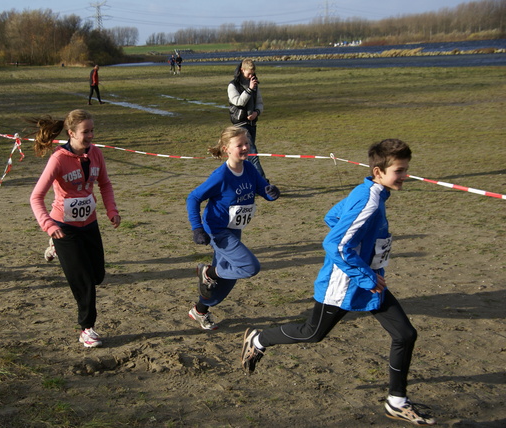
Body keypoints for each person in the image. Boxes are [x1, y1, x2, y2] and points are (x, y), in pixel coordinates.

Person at [240, 139, 436, 426]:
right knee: (312, 333)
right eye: (400, 171)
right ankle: (258, 339)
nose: (405, 176)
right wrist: (364, 273)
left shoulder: (375, 192)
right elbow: (335, 244)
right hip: (344, 284)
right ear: (379, 171)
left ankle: (396, 401)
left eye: (406, 169)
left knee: (405, 334)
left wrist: (364, 255)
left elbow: (332, 216)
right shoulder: (368, 199)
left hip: (368, 282)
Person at [29, 109, 121, 348]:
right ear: (70, 133)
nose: (90, 136)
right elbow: (36, 197)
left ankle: (55, 249)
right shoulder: (58, 159)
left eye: (92, 130)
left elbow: (105, 184)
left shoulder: (96, 154)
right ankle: (87, 328)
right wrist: (48, 225)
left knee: (97, 275)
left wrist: (111, 210)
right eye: (85, 132)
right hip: (63, 228)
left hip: (89, 223)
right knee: (84, 282)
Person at [186, 125, 280, 330]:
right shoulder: (221, 176)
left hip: (234, 228)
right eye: (240, 145)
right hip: (217, 230)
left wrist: (271, 192)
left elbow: (262, 189)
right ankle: (209, 272)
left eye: (247, 143)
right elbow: (193, 197)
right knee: (248, 267)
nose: (245, 147)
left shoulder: (249, 169)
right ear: (226, 148)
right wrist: (197, 227)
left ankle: (200, 310)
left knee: (229, 278)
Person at [228, 59, 267, 180]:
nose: (251, 76)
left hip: (252, 124)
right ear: (242, 70)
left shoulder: (255, 84)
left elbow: (260, 103)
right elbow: (238, 102)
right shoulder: (233, 85)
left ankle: (247, 181)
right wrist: (249, 89)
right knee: (253, 154)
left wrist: (256, 112)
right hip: (240, 124)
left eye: (252, 73)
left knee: (246, 157)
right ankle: (264, 184)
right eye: (248, 74)